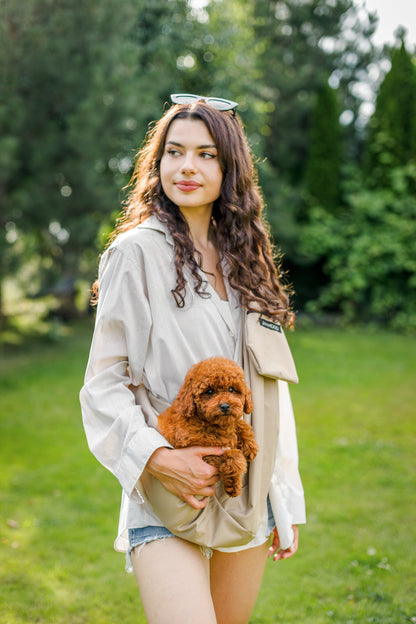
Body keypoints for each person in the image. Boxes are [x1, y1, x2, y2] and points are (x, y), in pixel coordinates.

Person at [80, 93, 305, 624]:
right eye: (174, 151)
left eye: (206, 154)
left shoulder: (246, 260)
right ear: (156, 164)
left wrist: (283, 498)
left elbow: (269, 395)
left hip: (244, 487)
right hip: (165, 487)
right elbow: (104, 383)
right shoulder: (135, 253)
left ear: (230, 169)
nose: (187, 166)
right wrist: (159, 460)